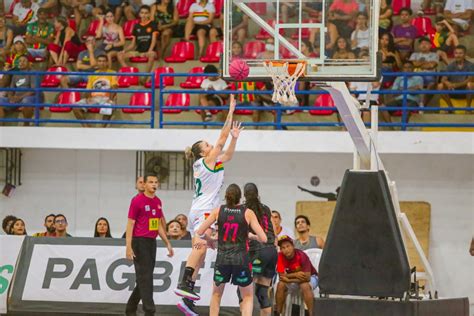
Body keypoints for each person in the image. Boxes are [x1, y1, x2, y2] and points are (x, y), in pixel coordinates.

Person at [174, 95, 242, 315]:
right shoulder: (204, 161)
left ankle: (187, 297)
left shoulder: (212, 161)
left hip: (201, 209)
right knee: (201, 247)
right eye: (207, 144)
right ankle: (184, 282)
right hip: (203, 210)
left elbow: (229, 153)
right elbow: (221, 139)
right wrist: (230, 111)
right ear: (202, 152)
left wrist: (235, 138)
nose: (211, 145)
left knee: (201, 253)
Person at [195, 184, 267, 316]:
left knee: (216, 295)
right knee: (247, 297)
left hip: (222, 258)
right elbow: (264, 239)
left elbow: (199, 232)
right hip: (241, 259)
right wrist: (251, 236)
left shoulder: (218, 211)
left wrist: (211, 240)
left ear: (226, 197)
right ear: (240, 198)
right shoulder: (247, 212)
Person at [125, 174, 173, 316]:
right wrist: (128, 246)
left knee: (144, 278)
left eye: (156, 182)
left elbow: (156, 224)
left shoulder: (157, 201)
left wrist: (167, 243)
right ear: (144, 184)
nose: (154, 184)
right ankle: (149, 310)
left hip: (151, 242)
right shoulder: (137, 201)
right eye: (151, 182)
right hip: (139, 241)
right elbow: (130, 223)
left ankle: (130, 309)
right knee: (146, 277)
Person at [243, 183, 277, 316]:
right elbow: (273, 232)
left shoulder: (243, 209)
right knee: (262, 291)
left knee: (243, 290)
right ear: (258, 194)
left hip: (256, 251)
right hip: (271, 252)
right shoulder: (266, 208)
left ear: (244, 195)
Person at [274, 235, 318, 316]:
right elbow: (281, 276)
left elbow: (307, 277)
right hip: (296, 278)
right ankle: (277, 313)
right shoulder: (280, 256)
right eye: (283, 248)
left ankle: (311, 314)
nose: (286, 249)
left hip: (312, 277)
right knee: (280, 285)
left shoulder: (301, 255)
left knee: (304, 285)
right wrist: (296, 274)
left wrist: (289, 279)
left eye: (288, 246)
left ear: (293, 246)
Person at [73, 54, 118, 127]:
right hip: (93, 98)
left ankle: (102, 129)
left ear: (107, 62)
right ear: (97, 63)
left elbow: (114, 87)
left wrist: (110, 99)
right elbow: (88, 89)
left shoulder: (112, 73)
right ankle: (86, 127)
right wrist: (88, 98)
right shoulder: (93, 74)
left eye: (104, 61)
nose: (102, 63)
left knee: (110, 106)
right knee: (75, 107)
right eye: (100, 61)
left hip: (106, 97)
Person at [0, 55, 40, 126]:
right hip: (16, 98)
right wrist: (10, 97)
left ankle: (26, 124)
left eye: (24, 61)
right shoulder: (16, 74)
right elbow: (11, 89)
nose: (21, 63)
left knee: (26, 101)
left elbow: (33, 90)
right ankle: (1, 125)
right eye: (20, 61)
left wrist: (19, 97)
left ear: (28, 63)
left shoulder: (32, 72)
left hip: (28, 97)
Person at [117, 5, 158, 74]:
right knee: (119, 55)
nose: (144, 15)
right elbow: (133, 44)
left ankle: (145, 77)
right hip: (138, 52)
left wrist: (148, 51)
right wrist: (124, 51)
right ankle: (131, 74)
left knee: (151, 55)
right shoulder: (136, 26)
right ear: (139, 14)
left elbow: (154, 41)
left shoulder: (153, 24)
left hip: (150, 51)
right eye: (142, 13)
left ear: (149, 14)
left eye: (146, 13)